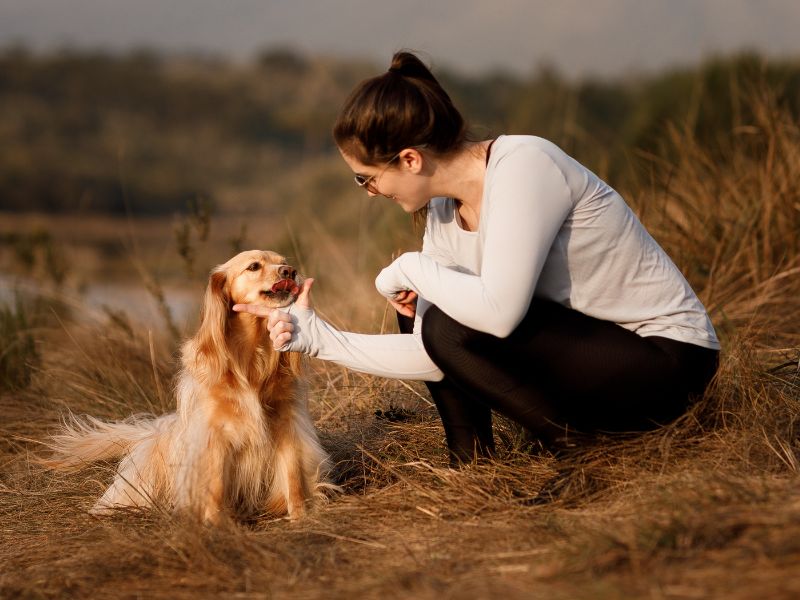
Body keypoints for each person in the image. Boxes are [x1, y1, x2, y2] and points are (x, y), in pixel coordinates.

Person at [233, 51, 720, 466]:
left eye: (367, 177)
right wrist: (320, 339)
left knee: (441, 309)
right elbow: (438, 353)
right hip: (592, 360)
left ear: (409, 159)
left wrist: (412, 268)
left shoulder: (525, 165)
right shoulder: (443, 212)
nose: (369, 192)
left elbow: (499, 316)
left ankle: (579, 450)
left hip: (665, 362)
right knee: (425, 314)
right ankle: (472, 460)